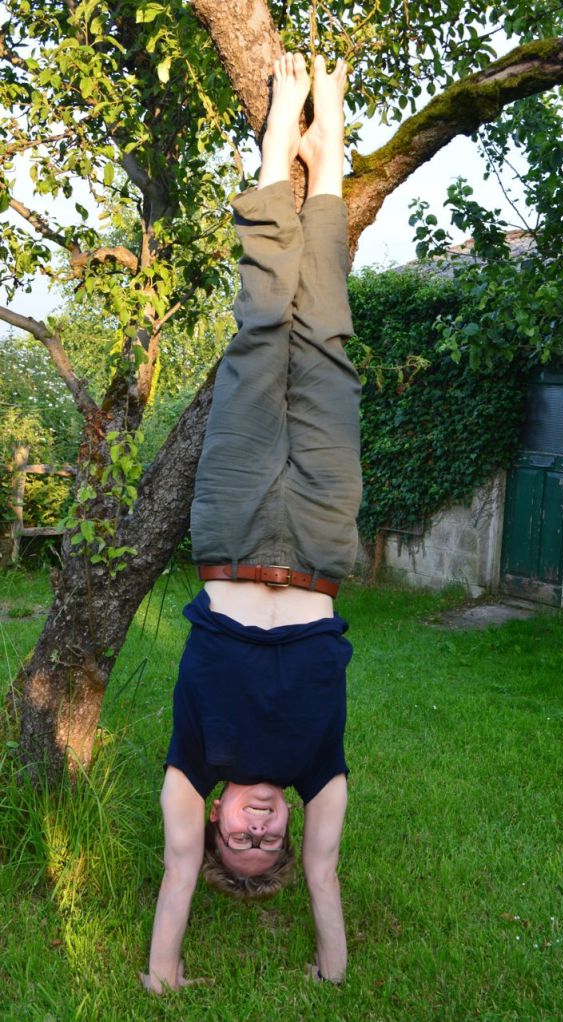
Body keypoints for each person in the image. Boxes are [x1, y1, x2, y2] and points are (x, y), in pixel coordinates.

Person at [141, 50, 362, 993]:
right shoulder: (319, 773)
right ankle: (334, 155)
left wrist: (164, 973)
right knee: (327, 352)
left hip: (229, 534)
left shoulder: (194, 768)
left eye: (242, 837)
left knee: (260, 334)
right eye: (267, 843)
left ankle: (278, 153)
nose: (259, 830)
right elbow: (325, 869)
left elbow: (178, 865)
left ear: (220, 814)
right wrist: (328, 964)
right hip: (318, 542)